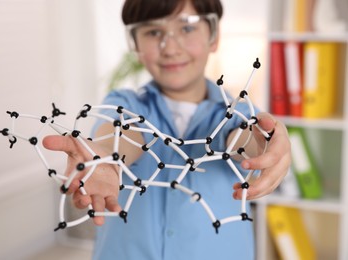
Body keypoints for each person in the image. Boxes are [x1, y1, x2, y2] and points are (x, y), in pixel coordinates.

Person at [43, 0, 291, 259]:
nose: (170, 48)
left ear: (213, 36)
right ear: (135, 44)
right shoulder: (124, 104)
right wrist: (104, 156)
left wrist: (267, 144)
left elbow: (242, 137)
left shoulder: (237, 112)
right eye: (153, 32)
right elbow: (121, 134)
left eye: (187, 28)